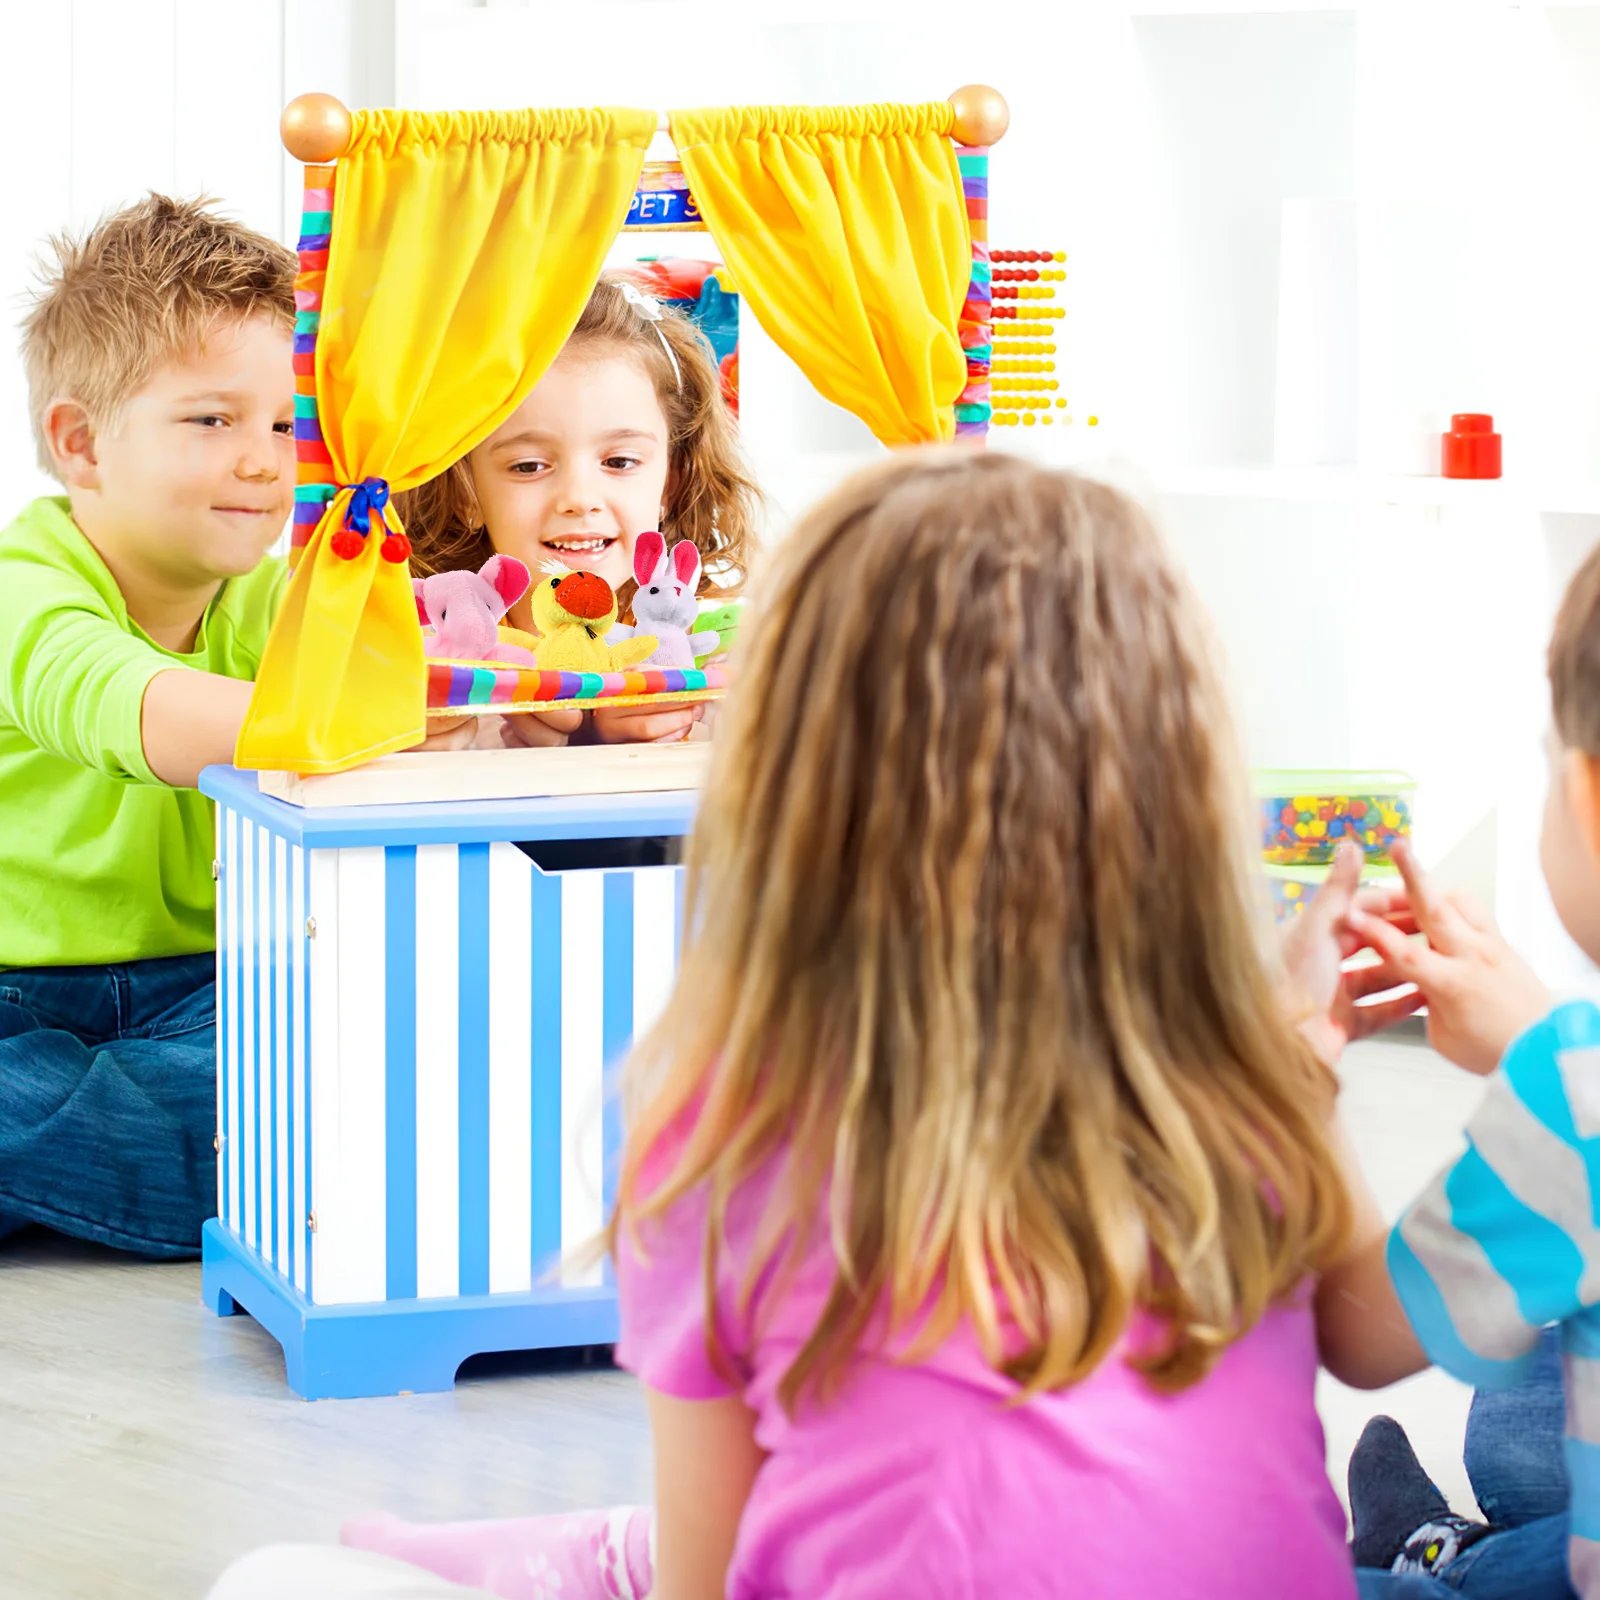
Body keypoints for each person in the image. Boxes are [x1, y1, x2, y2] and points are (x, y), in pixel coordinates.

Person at [211, 450, 1421, 1600]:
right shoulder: (1252, 1089)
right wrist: (1307, 1052)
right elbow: (1381, 1339)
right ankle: (598, 1550)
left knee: (271, 1582)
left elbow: (713, 1579)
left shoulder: (720, 1121)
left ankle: (598, 1554)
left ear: (789, 789)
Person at [0, 195, 297, 1257]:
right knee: (264, 1152)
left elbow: (414, 679)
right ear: (82, 445)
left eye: (284, 424)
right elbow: (125, 706)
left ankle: (64, 1159)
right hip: (15, 993)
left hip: (204, 993)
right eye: (214, 420)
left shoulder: (275, 601)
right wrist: (351, 722)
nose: (264, 460)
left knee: (309, 1094)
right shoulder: (27, 584)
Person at [1316, 539, 1600, 1599]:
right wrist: (1542, 1034)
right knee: (1529, 1390)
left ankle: (1439, 1561)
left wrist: (1302, 1082)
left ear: (1585, 797)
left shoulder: (1577, 1100)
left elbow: (1354, 1329)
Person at [401, 273, 759, 753]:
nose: (579, 498)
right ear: (465, 491)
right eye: (528, 466)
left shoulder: (724, 669)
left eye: (619, 462)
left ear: (669, 483)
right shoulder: (430, 681)